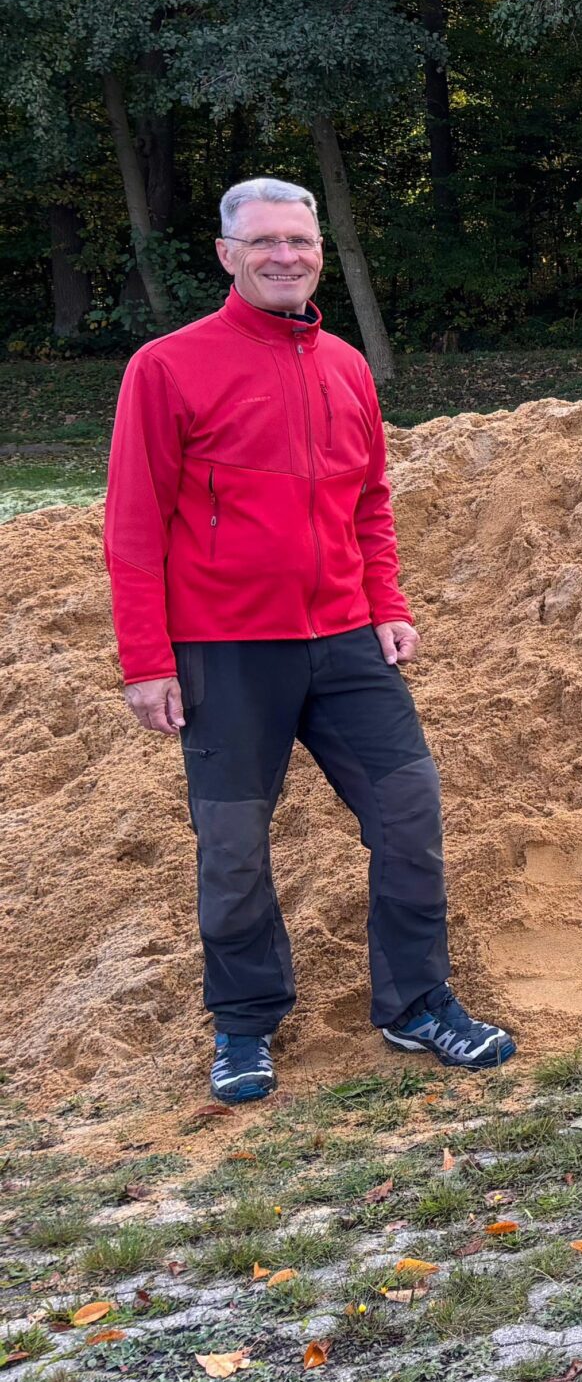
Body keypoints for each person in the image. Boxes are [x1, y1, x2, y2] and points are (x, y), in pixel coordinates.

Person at [103, 177, 516, 1103]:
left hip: (346, 645)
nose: (285, 255)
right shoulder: (167, 368)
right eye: (265, 241)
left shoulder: (344, 366)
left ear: (320, 249)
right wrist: (146, 660)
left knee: (410, 817)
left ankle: (416, 1002)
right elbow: (133, 525)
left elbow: (368, 501)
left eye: (301, 239)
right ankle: (246, 1023)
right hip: (225, 650)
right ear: (226, 252)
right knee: (235, 845)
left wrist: (386, 601)